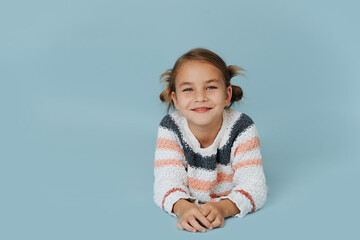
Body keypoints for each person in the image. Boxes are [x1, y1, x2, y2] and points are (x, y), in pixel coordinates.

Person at [153, 48, 268, 233]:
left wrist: (223, 208)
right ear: (176, 99)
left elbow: (256, 187)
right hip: (189, 203)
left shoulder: (242, 127)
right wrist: (183, 208)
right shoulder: (171, 128)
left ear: (227, 95)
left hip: (227, 202)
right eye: (188, 89)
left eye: (211, 87)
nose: (200, 97)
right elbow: (165, 182)